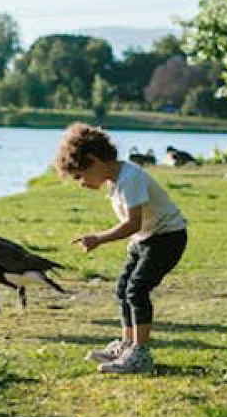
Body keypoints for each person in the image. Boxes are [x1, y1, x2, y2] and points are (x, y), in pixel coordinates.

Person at [54, 123, 188, 375]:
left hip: (167, 238)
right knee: (123, 288)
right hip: (146, 238)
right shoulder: (115, 181)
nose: (81, 183)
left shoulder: (130, 179)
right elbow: (137, 225)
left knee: (137, 289)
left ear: (93, 161)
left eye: (80, 176)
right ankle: (127, 345)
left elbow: (132, 223)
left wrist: (98, 238)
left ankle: (141, 353)